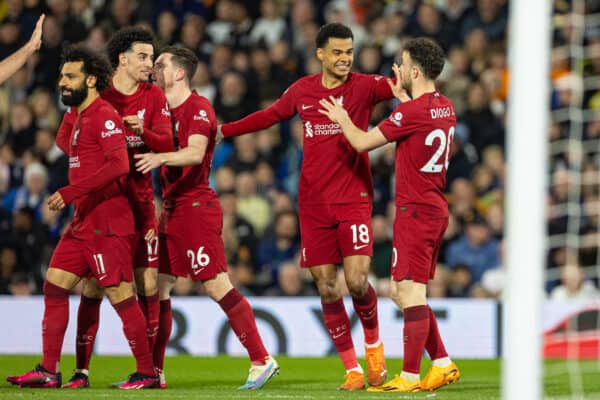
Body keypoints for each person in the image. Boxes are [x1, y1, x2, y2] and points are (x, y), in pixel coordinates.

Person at [218, 22, 392, 391]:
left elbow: (405, 89)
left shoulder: (365, 86)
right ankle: (352, 370)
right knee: (327, 287)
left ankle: (374, 350)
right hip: (313, 204)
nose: (345, 59)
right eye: (338, 52)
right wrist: (225, 131)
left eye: (349, 52)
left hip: (353, 197)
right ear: (321, 54)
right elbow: (269, 116)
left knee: (358, 280)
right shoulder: (302, 90)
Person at [6, 45, 157, 390]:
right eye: (61, 76)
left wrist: (71, 191)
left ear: (90, 80)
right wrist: (73, 109)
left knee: (120, 295)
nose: (62, 82)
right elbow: (64, 144)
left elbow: (119, 165)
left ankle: (147, 372)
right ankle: (48, 370)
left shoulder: (104, 115)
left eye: (70, 76)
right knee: (54, 285)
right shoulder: (82, 116)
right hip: (83, 222)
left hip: (108, 222)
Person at [318, 37, 460, 393]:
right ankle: (442, 363)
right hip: (434, 207)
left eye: (403, 62)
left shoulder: (410, 113)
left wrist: (341, 117)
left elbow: (362, 143)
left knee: (409, 294)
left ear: (414, 70)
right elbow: (419, 118)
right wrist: (404, 99)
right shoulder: (445, 106)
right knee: (401, 291)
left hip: (415, 211)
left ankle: (410, 377)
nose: (398, 68)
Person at [134, 46, 279, 390]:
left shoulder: (198, 107)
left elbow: (196, 152)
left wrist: (159, 158)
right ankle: (155, 372)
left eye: (161, 64)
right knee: (158, 286)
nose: (155, 69)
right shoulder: (161, 109)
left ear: (179, 73)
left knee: (216, 284)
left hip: (196, 208)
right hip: (171, 208)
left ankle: (261, 358)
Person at [54, 28, 174, 389]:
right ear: (122, 57)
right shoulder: (97, 96)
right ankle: (82, 371)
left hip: (140, 205)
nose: (149, 65)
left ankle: (153, 371)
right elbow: (65, 139)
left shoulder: (153, 97)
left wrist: (145, 134)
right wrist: (99, 160)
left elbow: (168, 142)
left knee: (147, 284)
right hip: (105, 204)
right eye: (142, 57)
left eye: (151, 59)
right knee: (93, 287)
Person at [0, 14, 44, 84]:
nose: (10, 32)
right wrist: (30, 47)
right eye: (7, 29)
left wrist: (30, 48)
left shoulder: (21, 43)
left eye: (13, 29)